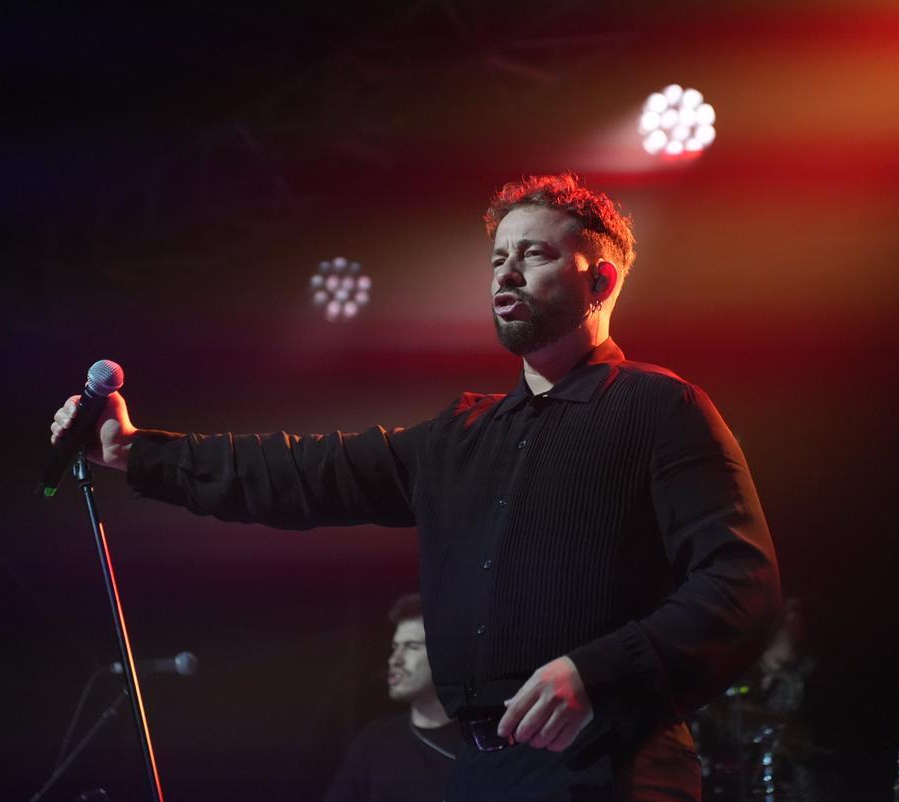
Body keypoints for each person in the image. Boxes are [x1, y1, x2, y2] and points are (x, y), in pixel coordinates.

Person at [50, 173, 781, 801]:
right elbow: (302, 471)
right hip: (481, 774)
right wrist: (136, 453)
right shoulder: (461, 436)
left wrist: (598, 672)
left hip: (613, 768)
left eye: (534, 254)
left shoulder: (659, 408)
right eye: (498, 257)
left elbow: (741, 585)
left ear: (600, 280)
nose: (506, 272)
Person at [324, 593, 460, 802]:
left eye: (412, 646)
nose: (394, 660)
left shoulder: (483, 741)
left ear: (447, 655)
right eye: (395, 647)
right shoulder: (373, 742)